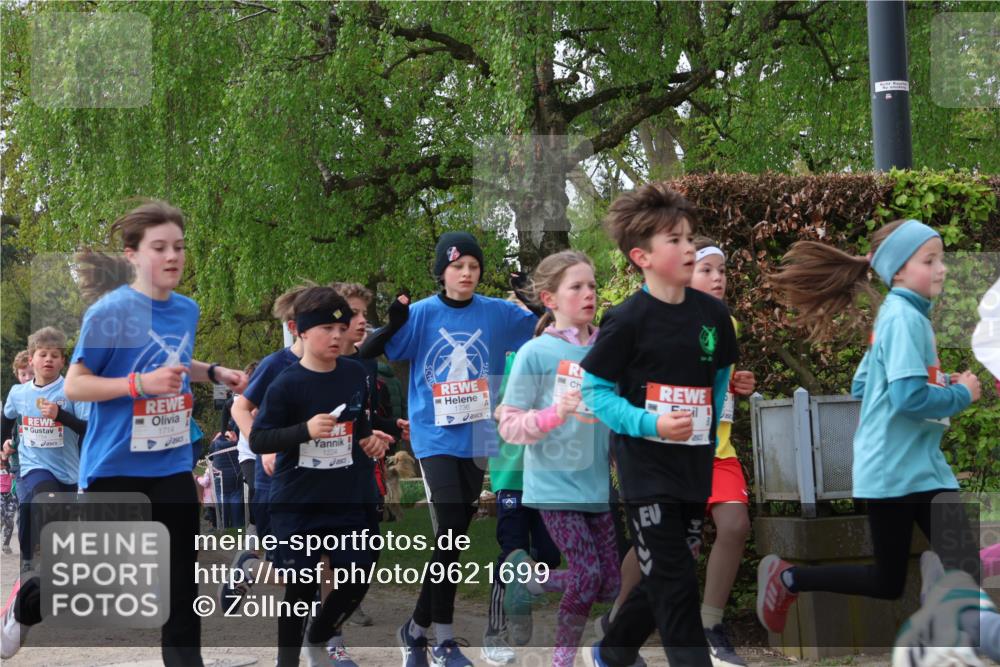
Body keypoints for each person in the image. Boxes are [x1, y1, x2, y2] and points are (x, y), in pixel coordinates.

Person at [0, 200, 248, 665]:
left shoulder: (186, 310)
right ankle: (26, 602)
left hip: (171, 463)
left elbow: (170, 360)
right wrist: (139, 385)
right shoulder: (108, 314)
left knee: (179, 582)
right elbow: (76, 383)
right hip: (115, 466)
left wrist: (214, 371)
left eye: (179, 247)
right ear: (133, 255)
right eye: (160, 247)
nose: (173, 256)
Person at [757, 219, 982, 637]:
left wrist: (942, 381)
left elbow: (865, 383)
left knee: (963, 567)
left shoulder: (902, 316)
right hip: (893, 474)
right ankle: (789, 579)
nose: (942, 269)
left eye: (942, 259)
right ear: (898, 270)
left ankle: (944, 613)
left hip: (920, 467)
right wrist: (962, 395)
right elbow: (906, 398)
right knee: (888, 581)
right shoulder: (903, 319)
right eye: (929, 260)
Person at [360, 231, 536, 667]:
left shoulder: (496, 312)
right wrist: (393, 321)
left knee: (455, 535)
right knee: (451, 526)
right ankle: (443, 638)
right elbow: (369, 349)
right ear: (443, 272)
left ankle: (416, 629)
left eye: (474, 267)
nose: (467, 274)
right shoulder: (421, 313)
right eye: (458, 267)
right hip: (433, 435)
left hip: (478, 434)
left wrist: (529, 294)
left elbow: (549, 322)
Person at [579, 183, 738, 667]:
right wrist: (650, 423)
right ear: (641, 256)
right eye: (675, 240)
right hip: (645, 470)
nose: (689, 247)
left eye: (690, 237)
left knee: (665, 574)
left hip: (693, 468)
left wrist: (705, 444)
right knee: (674, 584)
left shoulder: (713, 315)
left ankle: (612, 653)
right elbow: (594, 392)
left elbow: (719, 379)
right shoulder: (625, 320)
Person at [250, 285, 391, 667]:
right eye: (327, 329)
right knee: (299, 589)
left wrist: (369, 441)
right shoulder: (286, 382)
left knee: (359, 576)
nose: (336, 335)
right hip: (299, 503)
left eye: (341, 327)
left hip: (348, 497)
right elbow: (260, 438)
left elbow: (357, 419)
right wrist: (304, 430)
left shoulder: (353, 372)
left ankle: (319, 634)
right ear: (302, 332)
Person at [496, 250, 619, 667]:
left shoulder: (608, 347)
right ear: (549, 299)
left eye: (592, 286)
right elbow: (509, 425)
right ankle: (562, 660)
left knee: (609, 585)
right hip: (552, 483)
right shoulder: (536, 353)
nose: (589, 294)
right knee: (586, 577)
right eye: (577, 287)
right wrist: (555, 414)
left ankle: (528, 583)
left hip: (597, 483)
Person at [482, 347, 561, 665]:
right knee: (512, 553)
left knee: (550, 556)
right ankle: (494, 634)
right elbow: (495, 410)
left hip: (549, 480)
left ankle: (521, 599)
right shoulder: (511, 361)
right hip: (513, 477)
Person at [0, 327, 87, 569]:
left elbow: (87, 428)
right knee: (44, 500)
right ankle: (33, 558)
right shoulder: (19, 393)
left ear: (63, 362)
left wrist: (61, 416)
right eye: (43, 354)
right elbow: (6, 418)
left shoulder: (71, 390)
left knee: (62, 516)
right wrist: (3, 443)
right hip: (33, 465)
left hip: (69, 470)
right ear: (32, 360)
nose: (48, 359)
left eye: (55, 355)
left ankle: (55, 561)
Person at [0, 350, 33, 555]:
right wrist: (5, 446)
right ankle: (27, 549)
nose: (27, 378)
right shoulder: (15, 396)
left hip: (50, 461)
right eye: (23, 375)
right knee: (25, 505)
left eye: (31, 374)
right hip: (20, 462)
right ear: (17, 375)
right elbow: (5, 422)